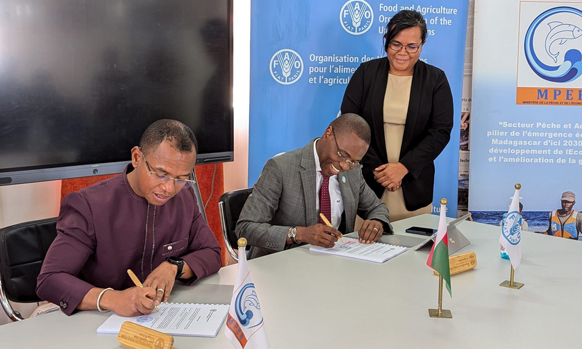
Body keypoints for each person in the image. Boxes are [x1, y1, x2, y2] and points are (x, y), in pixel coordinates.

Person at [37, 119, 222, 316]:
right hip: (98, 319)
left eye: (181, 179)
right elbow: (50, 279)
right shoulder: (89, 204)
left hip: (161, 316)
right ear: (136, 157)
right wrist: (113, 299)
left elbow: (212, 252)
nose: (169, 188)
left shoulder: (185, 197)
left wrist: (174, 267)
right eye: (161, 174)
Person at [340, 10, 453, 221]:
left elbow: (440, 132)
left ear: (422, 45)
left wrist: (404, 168)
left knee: (413, 250)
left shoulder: (435, 80)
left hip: (414, 185)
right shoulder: (366, 73)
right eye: (396, 44)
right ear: (386, 41)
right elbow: (349, 124)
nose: (403, 52)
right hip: (367, 183)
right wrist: (380, 171)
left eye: (412, 46)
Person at [236, 114, 392, 259]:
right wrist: (298, 234)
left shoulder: (353, 172)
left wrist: (376, 223)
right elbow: (246, 228)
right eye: (342, 155)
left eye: (353, 161)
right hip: (282, 263)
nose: (345, 165)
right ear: (328, 133)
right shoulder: (281, 168)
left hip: (332, 263)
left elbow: (376, 208)